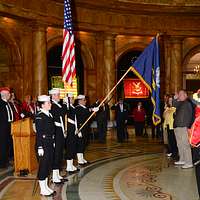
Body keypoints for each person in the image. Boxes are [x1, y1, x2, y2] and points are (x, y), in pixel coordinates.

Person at [35, 95, 56, 196]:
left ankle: (46, 187)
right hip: (43, 144)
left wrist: (53, 141)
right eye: (48, 103)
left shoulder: (49, 115)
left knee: (48, 166)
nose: (50, 104)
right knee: (43, 167)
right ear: (42, 105)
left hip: (49, 143)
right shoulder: (39, 116)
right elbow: (39, 133)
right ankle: (42, 189)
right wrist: (39, 146)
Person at [49, 88, 67, 183]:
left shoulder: (58, 104)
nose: (59, 96)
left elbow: (64, 112)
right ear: (53, 96)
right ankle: (54, 176)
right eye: (57, 95)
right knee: (56, 154)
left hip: (60, 130)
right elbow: (61, 112)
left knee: (59, 153)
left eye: (59, 94)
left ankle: (57, 174)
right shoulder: (52, 105)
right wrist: (64, 104)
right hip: (56, 131)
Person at [173, 90, 193, 169]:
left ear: (185, 95)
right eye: (179, 94)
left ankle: (189, 162)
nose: (179, 96)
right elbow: (174, 105)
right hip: (178, 127)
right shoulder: (181, 103)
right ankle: (182, 159)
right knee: (179, 145)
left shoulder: (188, 103)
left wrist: (188, 127)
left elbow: (191, 116)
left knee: (185, 145)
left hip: (184, 127)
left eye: (181, 94)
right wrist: (175, 99)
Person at [75, 94, 98, 164]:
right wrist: (91, 109)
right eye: (84, 100)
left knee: (84, 143)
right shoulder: (77, 108)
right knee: (80, 143)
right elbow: (82, 114)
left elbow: (87, 114)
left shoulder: (84, 107)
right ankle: (79, 159)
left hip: (85, 128)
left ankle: (82, 158)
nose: (85, 101)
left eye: (85, 100)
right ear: (80, 101)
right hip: (80, 128)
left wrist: (93, 111)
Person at [63, 93, 78, 173]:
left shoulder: (72, 107)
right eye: (71, 98)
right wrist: (66, 104)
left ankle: (71, 164)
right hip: (69, 130)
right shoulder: (67, 108)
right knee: (69, 148)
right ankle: (68, 166)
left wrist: (76, 128)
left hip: (73, 129)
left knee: (73, 147)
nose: (73, 100)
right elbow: (66, 117)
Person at [0, 87, 13, 168]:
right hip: (2, 128)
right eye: (8, 94)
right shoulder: (1, 103)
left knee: (7, 144)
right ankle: (2, 163)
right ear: (4, 95)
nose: (10, 95)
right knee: (2, 145)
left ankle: (6, 161)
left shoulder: (7, 103)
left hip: (8, 126)